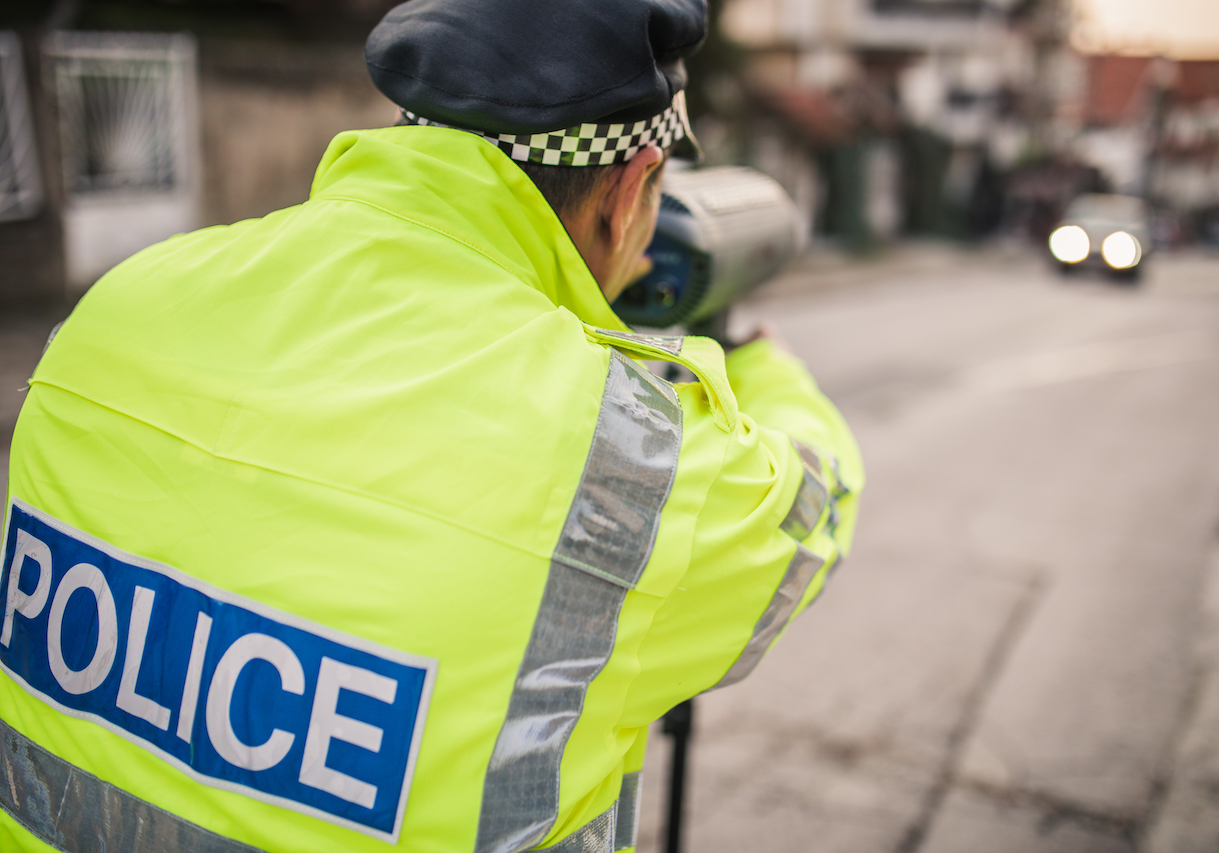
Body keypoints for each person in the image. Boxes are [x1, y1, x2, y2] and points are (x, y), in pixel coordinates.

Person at [0, 0, 862, 850]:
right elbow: (813, 507)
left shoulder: (120, 306)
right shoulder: (629, 460)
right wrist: (760, 362)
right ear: (631, 186)